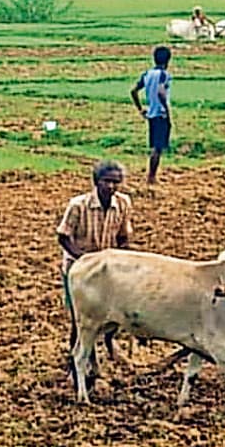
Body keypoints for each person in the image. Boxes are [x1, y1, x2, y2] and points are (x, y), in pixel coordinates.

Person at [56, 159, 132, 305]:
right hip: (78, 265)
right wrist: (85, 259)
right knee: (78, 311)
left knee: (106, 308)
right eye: (106, 181)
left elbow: (123, 236)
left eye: (115, 182)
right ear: (96, 182)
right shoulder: (78, 205)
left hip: (107, 267)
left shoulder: (123, 203)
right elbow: (63, 237)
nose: (111, 186)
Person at [130, 46, 173, 185]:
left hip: (151, 113)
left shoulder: (147, 74)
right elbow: (161, 92)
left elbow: (134, 91)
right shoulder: (163, 74)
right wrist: (166, 108)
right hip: (160, 113)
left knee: (155, 144)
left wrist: (140, 109)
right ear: (168, 60)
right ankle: (151, 177)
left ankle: (151, 175)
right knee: (158, 147)